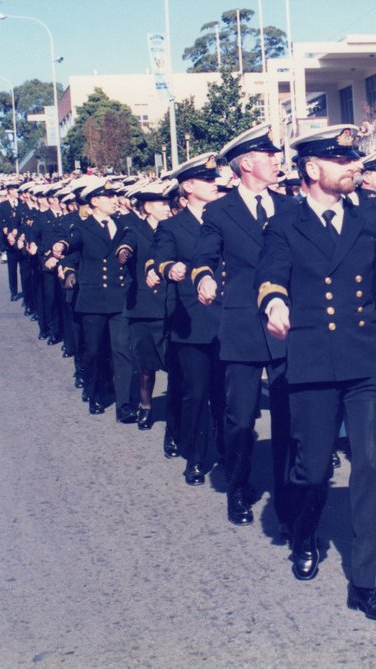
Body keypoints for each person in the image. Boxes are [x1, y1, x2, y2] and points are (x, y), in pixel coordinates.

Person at [256, 124, 376, 620]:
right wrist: (274, 302)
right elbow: (271, 271)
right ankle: (304, 532)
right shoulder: (286, 223)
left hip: (365, 359)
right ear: (313, 169)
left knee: (371, 463)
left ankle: (364, 579)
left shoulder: (371, 218)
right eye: (342, 161)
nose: (354, 167)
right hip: (313, 357)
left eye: (355, 159)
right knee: (312, 468)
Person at [192, 123, 298, 530]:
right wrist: (203, 277)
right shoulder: (220, 212)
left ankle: (287, 495)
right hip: (241, 325)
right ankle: (238, 488)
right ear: (247, 163)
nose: (277, 161)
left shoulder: (290, 206)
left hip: (285, 324)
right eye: (269, 156)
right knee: (239, 417)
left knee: (289, 413)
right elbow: (205, 256)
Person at [155, 153, 226, 484]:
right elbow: (161, 260)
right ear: (187, 186)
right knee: (196, 393)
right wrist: (172, 268)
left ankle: (228, 456)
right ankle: (195, 459)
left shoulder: (227, 217)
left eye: (215, 179)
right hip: (193, 321)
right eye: (207, 180)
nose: (214, 184)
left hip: (228, 320)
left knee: (226, 395)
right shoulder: (172, 226)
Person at [53, 178, 138, 423]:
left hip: (119, 297)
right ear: (94, 201)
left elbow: (131, 239)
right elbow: (73, 241)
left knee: (122, 350)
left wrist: (126, 249)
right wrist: (61, 245)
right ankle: (95, 394)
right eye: (108, 197)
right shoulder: (82, 226)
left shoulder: (122, 224)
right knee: (94, 350)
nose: (115, 201)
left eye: (114, 196)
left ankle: (124, 405)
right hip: (92, 298)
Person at [117, 181, 175, 430]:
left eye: (167, 203)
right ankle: (145, 406)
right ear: (148, 207)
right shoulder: (135, 229)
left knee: (175, 365)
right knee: (145, 367)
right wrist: (124, 253)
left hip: (168, 308)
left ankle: (175, 410)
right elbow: (126, 243)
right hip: (142, 309)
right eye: (161, 204)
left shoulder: (172, 229)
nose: (166, 208)